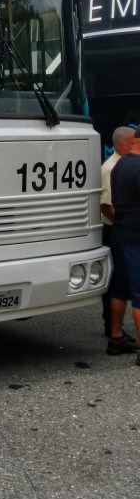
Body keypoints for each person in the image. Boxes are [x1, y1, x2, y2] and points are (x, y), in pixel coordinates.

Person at [108, 126, 140, 362]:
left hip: (120, 232)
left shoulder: (120, 164)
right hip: (136, 237)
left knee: (120, 288)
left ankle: (116, 337)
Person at [100, 126, 134, 337]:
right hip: (113, 229)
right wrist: (125, 222)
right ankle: (112, 326)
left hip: (121, 227)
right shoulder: (110, 168)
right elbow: (105, 205)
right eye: (132, 142)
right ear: (121, 144)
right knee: (116, 281)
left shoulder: (125, 165)